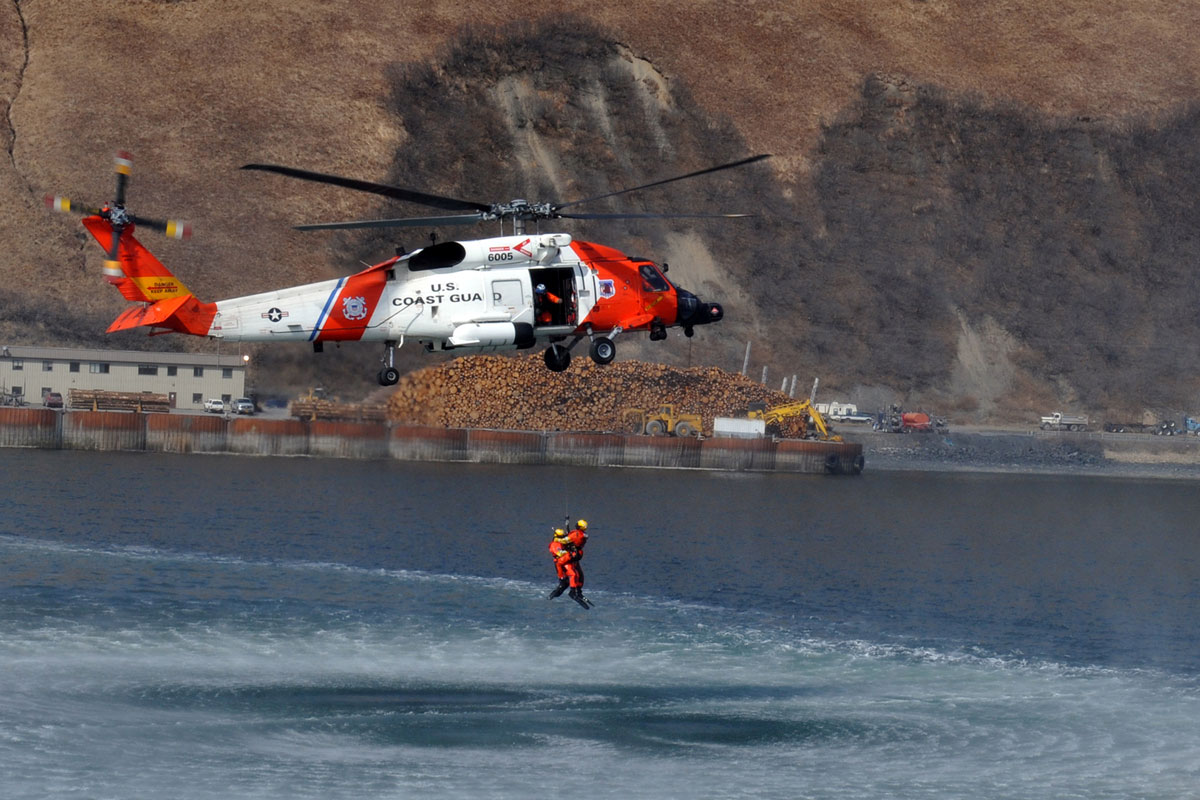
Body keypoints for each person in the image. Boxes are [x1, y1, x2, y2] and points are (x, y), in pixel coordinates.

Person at [547, 528, 573, 599]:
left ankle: (556, 595)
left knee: (567, 582)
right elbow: (560, 553)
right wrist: (568, 551)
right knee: (563, 582)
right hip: (559, 564)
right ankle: (551, 596)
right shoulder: (554, 544)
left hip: (564, 562)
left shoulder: (561, 543)